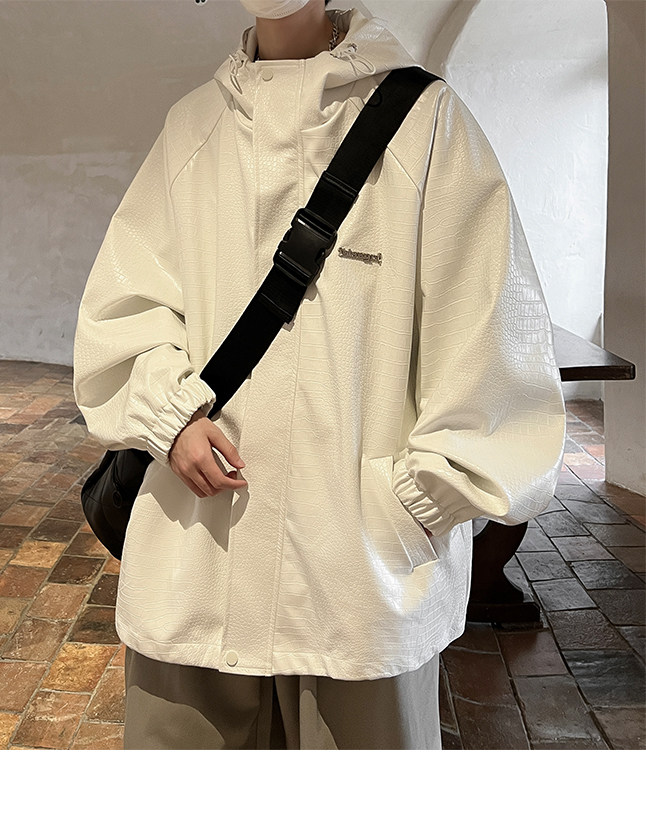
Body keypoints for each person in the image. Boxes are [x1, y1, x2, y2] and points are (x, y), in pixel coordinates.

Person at [72, 1, 566, 749]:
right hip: (196, 552)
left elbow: (488, 328)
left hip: (359, 573)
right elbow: (125, 306)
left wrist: (410, 504)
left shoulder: (425, 122)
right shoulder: (195, 127)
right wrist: (170, 418)